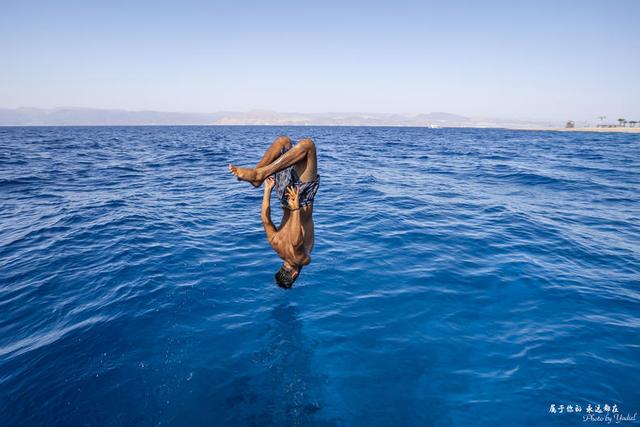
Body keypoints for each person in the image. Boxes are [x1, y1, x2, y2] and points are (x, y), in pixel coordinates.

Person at [229, 136, 319, 288]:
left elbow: (296, 242)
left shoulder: (301, 260)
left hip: (300, 198)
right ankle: (258, 178)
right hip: (284, 196)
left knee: (308, 146)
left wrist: (296, 208)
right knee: (283, 142)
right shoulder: (275, 245)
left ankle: (259, 174)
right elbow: (265, 219)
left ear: (295, 274)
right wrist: (267, 191)